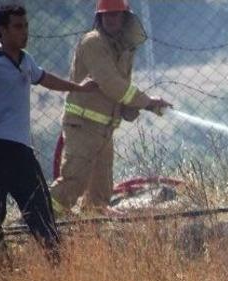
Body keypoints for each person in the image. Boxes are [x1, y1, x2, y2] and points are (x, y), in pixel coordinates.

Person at [0, 4, 98, 257]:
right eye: (18, 27)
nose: (24, 31)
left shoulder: (26, 60)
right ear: (2, 30)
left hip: (20, 149)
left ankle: (57, 264)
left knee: (41, 210)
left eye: (25, 26)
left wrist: (78, 87)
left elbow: (45, 78)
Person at [49, 0, 171, 215]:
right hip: (83, 125)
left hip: (104, 128)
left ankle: (92, 226)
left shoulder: (123, 47)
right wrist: (146, 101)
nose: (111, 19)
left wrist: (136, 106)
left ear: (125, 18)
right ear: (99, 17)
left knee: (101, 189)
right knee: (74, 181)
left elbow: (121, 88)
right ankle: (39, 219)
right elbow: (110, 82)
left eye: (116, 14)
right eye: (107, 15)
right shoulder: (93, 42)